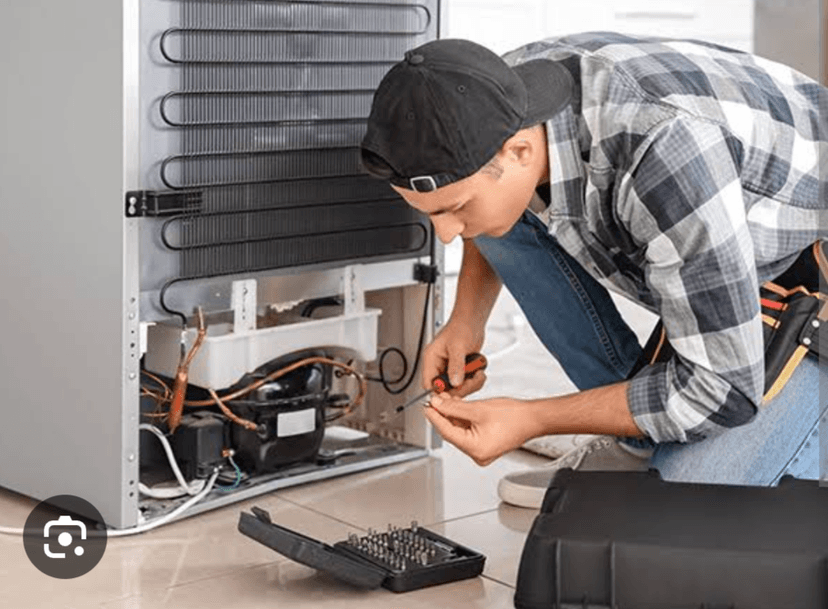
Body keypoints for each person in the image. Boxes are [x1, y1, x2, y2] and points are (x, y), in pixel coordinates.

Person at [360, 33, 827, 509]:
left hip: (812, 265)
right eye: (430, 213)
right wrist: (466, 320)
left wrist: (534, 418)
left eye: (455, 209)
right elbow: (489, 200)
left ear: (519, 151)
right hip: (730, 235)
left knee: (684, 513)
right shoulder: (490, 94)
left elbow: (723, 390)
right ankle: (641, 438)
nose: (443, 235)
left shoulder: (665, 151)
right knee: (504, 213)